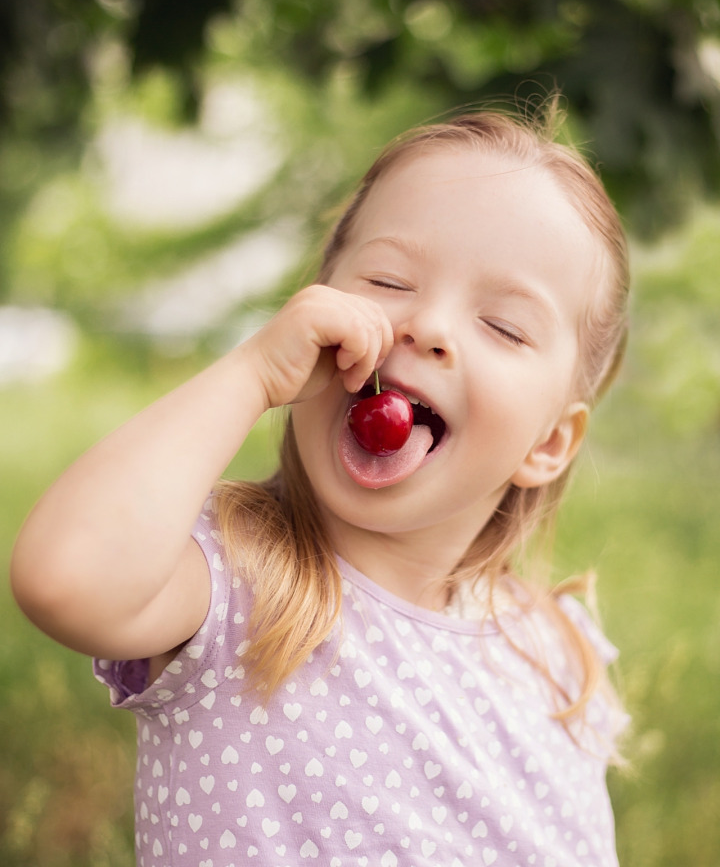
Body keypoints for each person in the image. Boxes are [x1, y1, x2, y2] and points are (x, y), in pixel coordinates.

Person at [11, 108, 630, 867]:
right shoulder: (234, 584)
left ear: (549, 444)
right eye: (387, 280)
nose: (427, 325)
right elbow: (65, 576)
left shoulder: (554, 653)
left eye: (502, 326)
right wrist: (250, 374)